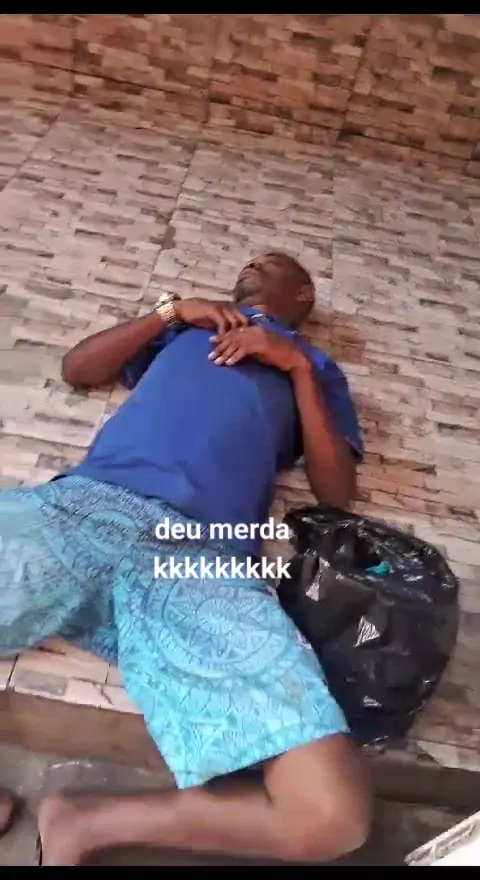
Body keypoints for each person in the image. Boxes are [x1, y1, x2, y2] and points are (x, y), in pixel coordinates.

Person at [0, 252, 372, 865]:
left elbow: (336, 494)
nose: (252, 263)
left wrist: (297, 367)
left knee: (332, 817)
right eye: (249, 261)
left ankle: (87, 820)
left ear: (304, 295)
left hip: (200, 556)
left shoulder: (315, 365)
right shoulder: (186, 329)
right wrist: (169, 313)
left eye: (270, 262)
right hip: (86, 507)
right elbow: (76, 369)